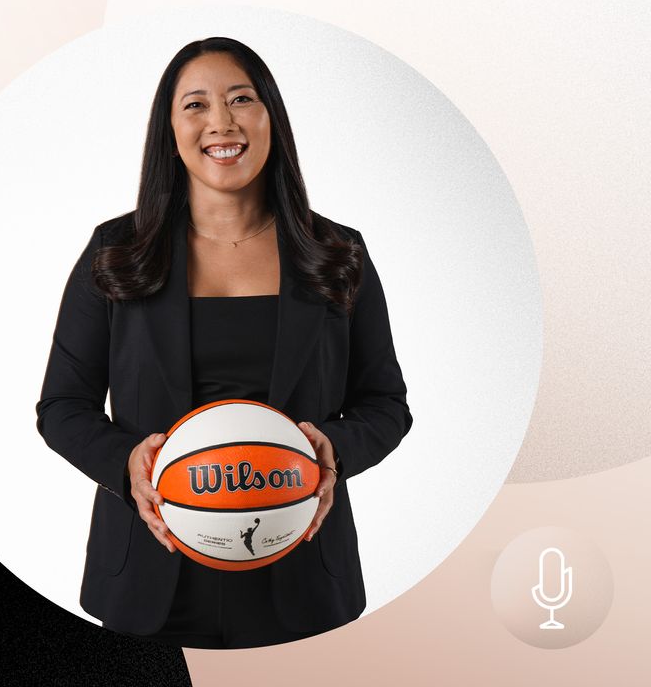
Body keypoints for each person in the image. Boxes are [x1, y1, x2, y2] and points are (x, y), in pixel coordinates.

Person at [35, 37, 412, 649]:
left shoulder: (339, 253)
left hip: (305, 583)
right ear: (169, 129)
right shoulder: (116, 251)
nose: (222, 123)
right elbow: (62, 408)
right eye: (196, 105)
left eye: (242, 99)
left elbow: (386, 404)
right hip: (147, 584)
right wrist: (126, 464)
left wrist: (329, 451)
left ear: (271, 118)